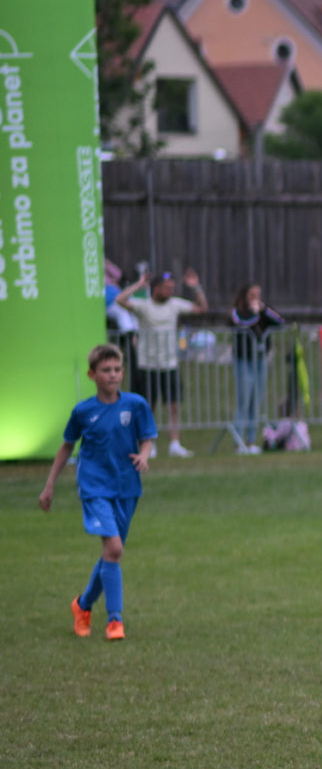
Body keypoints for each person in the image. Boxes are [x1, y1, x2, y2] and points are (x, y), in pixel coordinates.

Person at [38, 344, 157, 639]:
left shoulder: (136, 404)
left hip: (127, 487)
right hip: (94, 487)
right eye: (106, 370)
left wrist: (144, 456)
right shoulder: (83, 411)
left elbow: (147, 439)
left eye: (117, 369)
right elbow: (67, 446)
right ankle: (115, 620)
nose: (113, 375)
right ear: (93, 375)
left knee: (110, 554)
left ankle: (82, 605)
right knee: (115, 549)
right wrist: (50, 483)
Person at [117, 268, 206, 458]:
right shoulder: (144, 306)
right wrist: (139, 285)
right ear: (156, 288)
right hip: (147, 364)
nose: (170, 291)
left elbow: (202, 308)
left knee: (173, 406)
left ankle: (175, 443)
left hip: (169, 364)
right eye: (166, 287)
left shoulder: (175, 304)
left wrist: (196, 287)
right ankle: (150, 444)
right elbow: (120, 300)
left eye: (172, 287)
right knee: (149, 407)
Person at [226, 283, 288, 452]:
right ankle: (238, 442)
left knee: (256, 402)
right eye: (252, 294)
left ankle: (251, 442)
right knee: (244, 402)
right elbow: (242, 323)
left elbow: (280, 321)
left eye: (258, 294)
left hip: (259, 361)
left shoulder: (262, 311)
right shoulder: (237, 312)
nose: (255, 298)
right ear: (245, 295)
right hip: (243, 361)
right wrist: (256, 313)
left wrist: (264, 310)